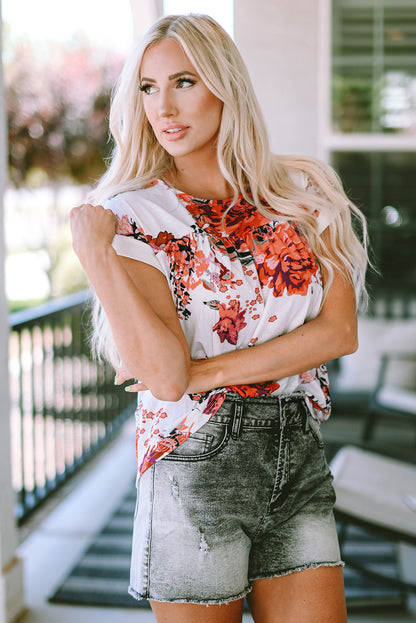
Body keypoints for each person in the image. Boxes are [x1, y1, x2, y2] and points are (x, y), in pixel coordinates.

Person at [70, 13, 368, 623]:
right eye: (148, 89)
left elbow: (338, 333)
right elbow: (165, 377)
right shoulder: (135, 214)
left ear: (225, 84)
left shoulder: (305, 194)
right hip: (194, 462)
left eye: (184, 81)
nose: (164, 107)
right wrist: (94, 254)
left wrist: (206, 373)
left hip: (297, 451)